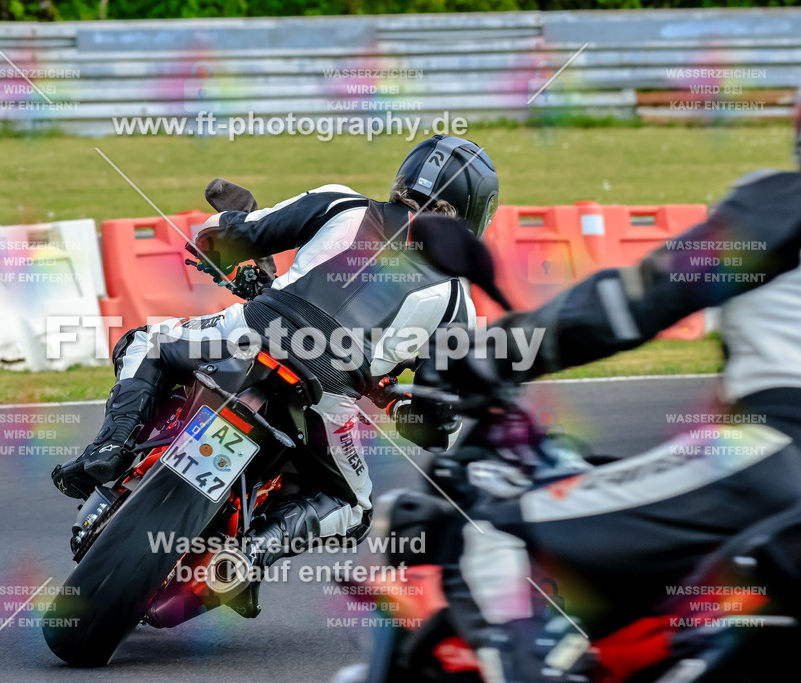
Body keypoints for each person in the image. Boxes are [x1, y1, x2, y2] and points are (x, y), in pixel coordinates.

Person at [396, 89, 801, 681]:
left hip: (770, 457)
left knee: (493, 535)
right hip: (760, 487)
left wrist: (499, 348)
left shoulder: (781, 201)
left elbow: (632, 301)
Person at [52, 135, 501, 567]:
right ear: (474, 214)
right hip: (329, 393)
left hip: (252, 332)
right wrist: (417, 416)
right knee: (354, 505)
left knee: (147, 343)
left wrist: (220, 241)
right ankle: (248, 554)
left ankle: (108, 448)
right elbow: (443, 421)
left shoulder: (341, 203)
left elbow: (232, 233)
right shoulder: (459, 300)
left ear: (404, 178)